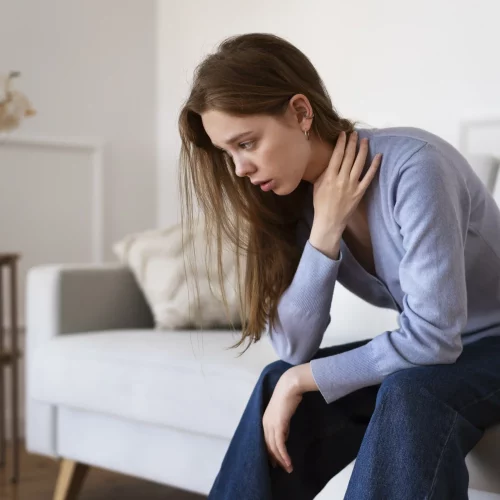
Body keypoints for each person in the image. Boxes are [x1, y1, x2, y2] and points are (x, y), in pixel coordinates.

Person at [177, 33, 500, 500]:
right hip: (454, 350)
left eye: (247, 143)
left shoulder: (416, 169)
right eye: (229, 153)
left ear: (301, 113)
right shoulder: (293, 199)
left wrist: (301, 378)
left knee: (409, 393)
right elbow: (291, 347)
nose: (240, 169)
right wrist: (325, 231)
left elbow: (433, 338)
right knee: (276, 382)